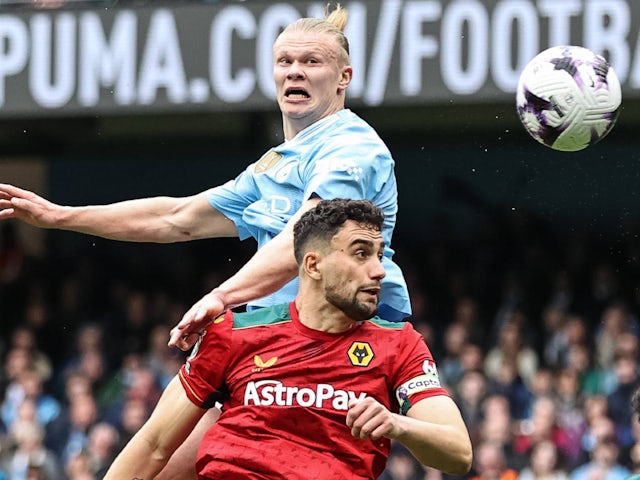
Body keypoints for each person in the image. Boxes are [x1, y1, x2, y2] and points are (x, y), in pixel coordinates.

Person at [0, 5, 412, 478]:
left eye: (312, 62)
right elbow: (179, 217)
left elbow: (306, 241)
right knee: (153, 462)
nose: (295, 71)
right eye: (285, 61)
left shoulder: (353, 148)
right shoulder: (274, 164)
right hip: (268, 339)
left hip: (338, 348)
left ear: (344, 77)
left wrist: (221, 296)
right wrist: (61, 216)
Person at [102, 198, 472, 480]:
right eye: (361, 254)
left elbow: (457, 453)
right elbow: (152, 445)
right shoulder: (233, 333)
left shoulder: (399, 344)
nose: (379, 271)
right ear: (312, 265)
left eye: (378, 256)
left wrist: (396, 424)